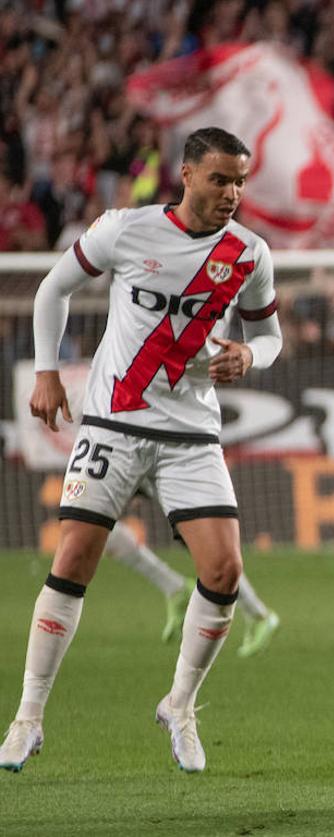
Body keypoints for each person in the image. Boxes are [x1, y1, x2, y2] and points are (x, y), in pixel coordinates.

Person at [0, 127, 282, 774]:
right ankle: (28, 717)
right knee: (73, 557)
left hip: (190, 433)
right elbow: (53, 288)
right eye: (219, 179)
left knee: (224, 573)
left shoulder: (249, 253)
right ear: (185, 175)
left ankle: (180, 703)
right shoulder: (125, 228)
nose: (232, 193)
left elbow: (271, 335)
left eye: (240, 180)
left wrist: (250, 352)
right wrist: (47, 373)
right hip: (114, 422)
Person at [104, 520, 280, 656]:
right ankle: (176, 589)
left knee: (200, 540)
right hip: (129, 471)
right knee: (93, 522)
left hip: (167, 473)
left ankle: (259, 615)